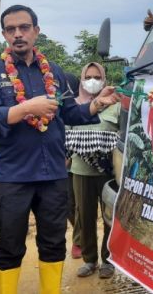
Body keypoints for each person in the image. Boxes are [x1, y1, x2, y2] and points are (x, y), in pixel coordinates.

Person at [0, 4, 119, 293]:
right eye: (11, 29)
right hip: (14, 176)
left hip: (53, 174)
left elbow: (70, 114)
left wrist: (96, 104)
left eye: (24, 27)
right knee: (10, 244)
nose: (18, 34)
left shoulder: (53, 71)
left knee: (54, 243)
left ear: (36, 31)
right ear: (4, 34)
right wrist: (26, 108)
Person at [66, 62, 120, 279]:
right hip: (80, 170)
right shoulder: (73, 107)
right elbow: (66, 136)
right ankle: (89, 260)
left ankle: (108, 260)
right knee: (84, 215)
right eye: (88, 76)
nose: (92, 80)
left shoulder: (116, 106)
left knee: (109, 217)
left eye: (97, 76)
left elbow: (123, 133)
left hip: (108, 171)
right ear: (81, 79)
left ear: (104, 79)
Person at [63, 72, 82, 259]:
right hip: (62, 165)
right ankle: (79, 237)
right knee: (69, 204)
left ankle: (80, 240)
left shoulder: (80, 107)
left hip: (78, 162)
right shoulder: (55, 104)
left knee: (81, 204)